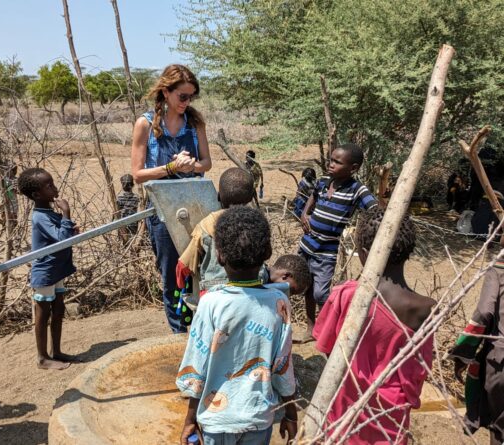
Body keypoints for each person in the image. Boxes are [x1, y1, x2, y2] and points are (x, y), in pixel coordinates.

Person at [313, 206, 435, 444]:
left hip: (345, 407)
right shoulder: (424, 308)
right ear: (409, 250)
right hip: (390, 416)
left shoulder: (345, 296)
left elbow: (328, 349)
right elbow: (419, 371)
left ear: (365, 252)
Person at [176, 206, 297, 445]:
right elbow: (283, 366)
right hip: (258, 419)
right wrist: (291, 414)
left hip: (216, 422)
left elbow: (196, 368)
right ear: (268, 252)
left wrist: (190, 419)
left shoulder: (210, 303)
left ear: (220, 256)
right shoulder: (279, 303)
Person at [131, 64, 212, 333]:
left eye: (191, 97)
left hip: (195, 206)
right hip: (162, 212)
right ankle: (179, 333)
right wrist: (170, 169)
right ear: (166, 92)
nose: (187, 102)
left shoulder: (195, 122)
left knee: (201, 271)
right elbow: (138, 174)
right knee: (171, 275)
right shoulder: (145, 124)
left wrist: (193, 166)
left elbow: (207, 163)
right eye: (182, 97)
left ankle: (201, 329)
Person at [298, 143, 377, 340]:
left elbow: (375, 211)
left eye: (337, 162)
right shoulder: (324, 181)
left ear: (354, 168)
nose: (331, 164)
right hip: (307, 244)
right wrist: (305, 213)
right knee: (306, 287)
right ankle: (311, 328)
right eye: (331, 160)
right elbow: (313, 197)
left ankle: (327, 331)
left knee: (321, 294)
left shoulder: (357, 190)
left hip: (327, 250)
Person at [18, 167, 79, 370]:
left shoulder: (48, 213)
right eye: (49, 185)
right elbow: (61, 240)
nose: (54, 188)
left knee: (59, 309)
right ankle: (42, 357)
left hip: (57, 269)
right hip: (45, 272)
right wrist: (66, 213)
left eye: (52, 183)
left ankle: (57, 352)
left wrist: (70, 226)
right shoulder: (40, 216)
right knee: (43, 314)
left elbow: (63, 235)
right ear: (36, 195)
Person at [448, 235, 504, 445]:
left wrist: (463, 354)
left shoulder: (499, 269)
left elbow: (483, 313)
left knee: (499, 430)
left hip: (500, 364)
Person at [176, 168, 254, 296]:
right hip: (252, 291)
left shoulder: (206, 224)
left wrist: (181, 284)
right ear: (251, 197)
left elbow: (184, 264)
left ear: (218, 196)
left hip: (214, 293)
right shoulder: (257, 223)